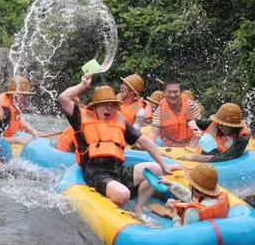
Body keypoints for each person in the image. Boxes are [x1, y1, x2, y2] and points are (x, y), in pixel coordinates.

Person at [59, 74, 183, 217]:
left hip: (118, 171)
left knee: (156, 170)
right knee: (123, 194)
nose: (108, 108)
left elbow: (145, 141)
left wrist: (163, 165)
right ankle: (115, 205)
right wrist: (82, 86)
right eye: (104, 104)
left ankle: (138, 209)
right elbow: (63, 98)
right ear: (95, 106)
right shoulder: (80, 117)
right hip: (96, 174)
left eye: (112, 105)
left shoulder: (119, 121)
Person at [159, 164, 229, 225]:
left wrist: (175, 213)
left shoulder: (193, 212)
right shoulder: (221, 200)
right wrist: (171, 183)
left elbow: (181, 235)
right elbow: (191, 196)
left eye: (191, 184)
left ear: (195, 188)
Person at [178, 103, 251, 163]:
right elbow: (194, 122)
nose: (219, 126)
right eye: (219, 123)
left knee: (212, 152)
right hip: (209, 152)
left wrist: (193, 157)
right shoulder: (216, 123)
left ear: (234, 126)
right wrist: (195, 129)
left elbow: (225, 157)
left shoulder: (243, 137)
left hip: (226, 162)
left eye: (223, 125)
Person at [149, 79, 202, 147]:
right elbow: (154, 133)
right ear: (164, 93)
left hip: (191, 145)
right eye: (169, 92)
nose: (172, 95)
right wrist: (147, 144)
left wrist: (193, 145)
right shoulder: (159, 111)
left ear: (181, 92)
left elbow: (193, 123)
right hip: (169, 148)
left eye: (176, 92)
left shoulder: (191, 106)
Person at [0, 77, 41, 143]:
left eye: (27, 96)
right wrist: (17, 140)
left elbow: (18, 120)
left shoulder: (13, 104)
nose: (26, 100)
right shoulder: (4, 110)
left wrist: (32, 131)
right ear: (13, 94)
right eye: (23, 96)